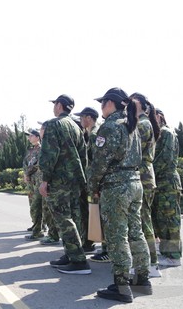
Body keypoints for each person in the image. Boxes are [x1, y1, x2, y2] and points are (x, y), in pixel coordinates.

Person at [88, 88, 151, 303]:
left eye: (102, 103)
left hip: (116, 187)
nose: (100, 108)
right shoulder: (132, 125)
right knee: (136, 232)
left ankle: (121, 286)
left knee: (117, 236)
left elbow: (99, 163)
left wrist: (93, 186)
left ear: (110, 103)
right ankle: (143, 279)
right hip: (135, 183)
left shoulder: (110, 127)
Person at [38, 94, 90, 275]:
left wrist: (44, 180)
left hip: (60, 180)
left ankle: (78, 261)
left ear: (59, 106)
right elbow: (84, 155)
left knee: (63, 219)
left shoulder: (54, 124)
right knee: (74, 217)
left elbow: (49, 154)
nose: (54, 107)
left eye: (55, 104)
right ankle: (71, 253)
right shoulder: (76, 127)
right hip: (75, 179)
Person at [130, 92, 161, 276]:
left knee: (143, 220)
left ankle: (150, 264)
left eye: (131, 102)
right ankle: (148, 262)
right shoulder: (142, 123)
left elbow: (132, 151)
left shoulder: (141, 124)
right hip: (144, 175)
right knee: (142, 220)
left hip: (142, 176)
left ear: (140, 104)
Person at [74, 106, 109, 262]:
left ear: (89, 118)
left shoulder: (95, 135)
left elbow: (98, 163)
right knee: (93, 214)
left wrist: (96, 186)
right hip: (93, 183)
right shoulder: (90, 134)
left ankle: (107, 250)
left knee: (101, 215)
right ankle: (91, 243)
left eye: (82, 117)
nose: (80, 120)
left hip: (98, 184)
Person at [152, 108, 183, 267]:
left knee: (170, 221)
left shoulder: (166, 133)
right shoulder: (158, 133)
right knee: (161, 220)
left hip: (167, 183)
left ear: (160, 116)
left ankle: (173, 256)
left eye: (153, 115)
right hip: (160, 183)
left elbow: (164, 159)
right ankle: (166, 252)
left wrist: (148, 174)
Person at [23, 128, 44, 240]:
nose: (29, 138)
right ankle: (36, 226)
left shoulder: (41, 149)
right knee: (33, 204)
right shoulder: (30, 150)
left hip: (38, 180)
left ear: (37, 137)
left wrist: (27, 173)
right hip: (31, 181)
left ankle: (38, 230)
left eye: (31, 136)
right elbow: (25, 163)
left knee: (37, 206)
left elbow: (36, 165)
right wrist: (25, 174)